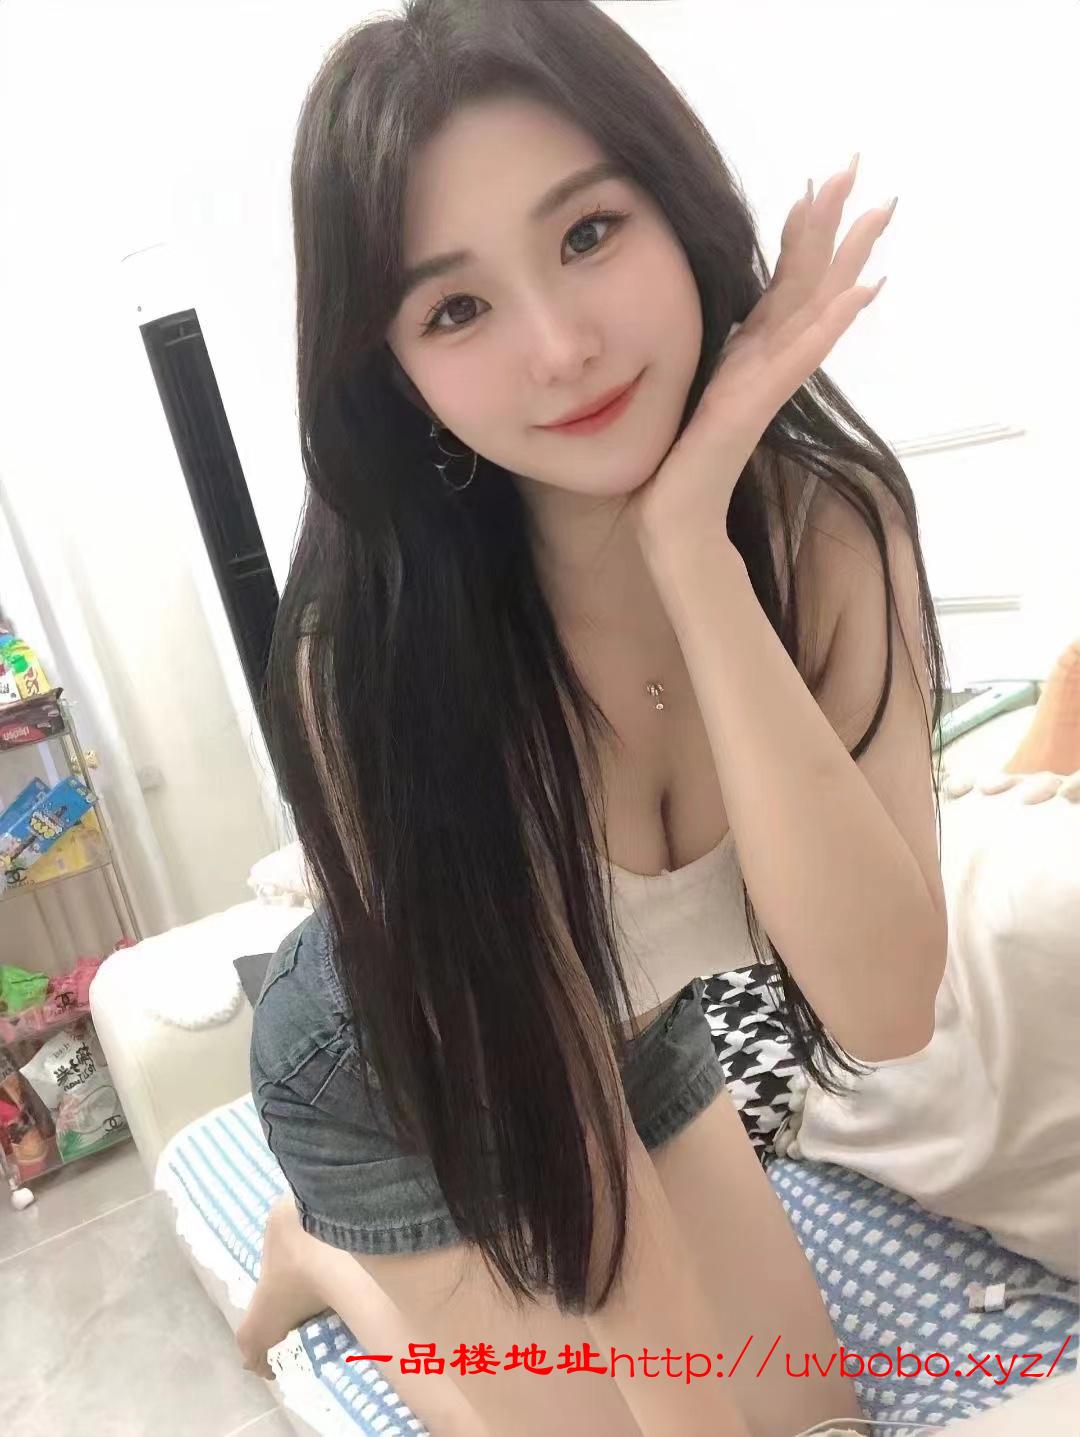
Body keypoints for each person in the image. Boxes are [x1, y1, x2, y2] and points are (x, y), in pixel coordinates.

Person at [238, 3, 952, 1433]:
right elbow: (556, 1134)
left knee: (809, 1412)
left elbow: (885, 1004)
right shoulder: (366, 663)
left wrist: (693, 548)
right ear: (396, 372)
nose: (561, 348)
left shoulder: (830, 532)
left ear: (677, 208)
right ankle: (326, 1256)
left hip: (633, 1025)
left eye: (587, 233)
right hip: (404, 1070)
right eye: (455, 309)